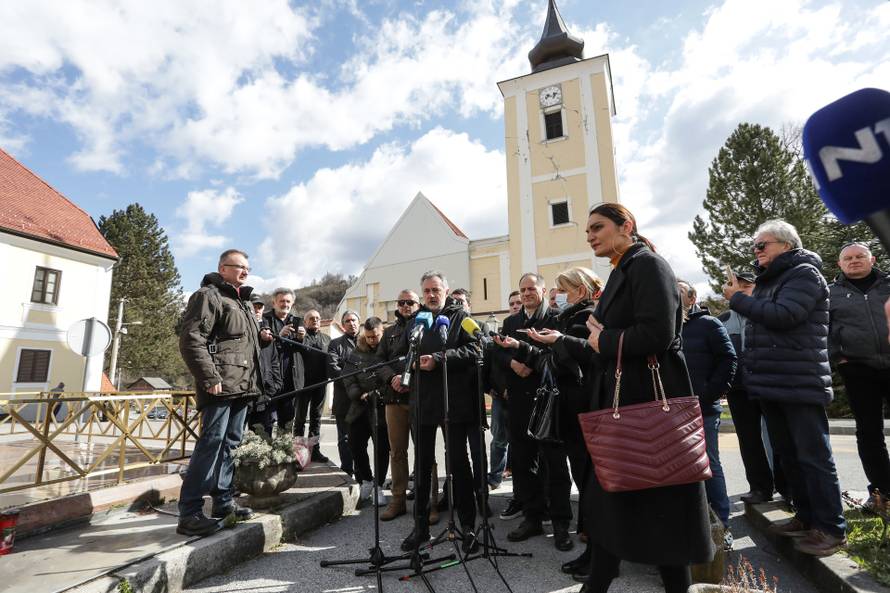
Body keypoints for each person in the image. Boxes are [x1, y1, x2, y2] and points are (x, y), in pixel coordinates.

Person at [577, 203, 714, 593]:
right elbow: (603, 339)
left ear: (627, 227)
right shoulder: (624, 269)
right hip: (624, 401)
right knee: (616, 500)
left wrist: (603, 339)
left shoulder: (648, 265)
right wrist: (574, 342)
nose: (590, 236)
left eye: (598, 227)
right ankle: (599, 580)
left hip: (648, 402)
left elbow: (659, 334)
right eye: (587, 230)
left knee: (662, 506)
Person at [724, 219, 846, 557]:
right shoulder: (770, 281)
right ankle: (806, 518)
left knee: (813, 457)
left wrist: (738, 300)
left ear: (787, 246)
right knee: (789, 456)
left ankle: (831, 529)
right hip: (772, 382)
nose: (756, 251)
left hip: (799, 381)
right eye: (754, 246)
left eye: (762, 245)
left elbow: (785, 315)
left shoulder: (804, 274)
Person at [511, 267, 604, 570]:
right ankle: (560, 524)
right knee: (553, 470)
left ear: (579, 290)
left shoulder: (588, 316)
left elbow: (581, 360)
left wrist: (556, 342)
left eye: (562, 289)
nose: (557, 295)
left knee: (582, 470)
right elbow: (548, 361)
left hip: (577, 405)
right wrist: (520, 347)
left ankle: (590, 528)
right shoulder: (565, 317)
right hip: (554, 404)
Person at [176, 249, 263, 536]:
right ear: (223, 268)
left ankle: (223, 502)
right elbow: (191, 340)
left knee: (231, 444)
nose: (245, 273)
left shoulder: (244, 302)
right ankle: (189, 512)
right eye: (240, 267)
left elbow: (240, 345)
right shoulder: (207, 296)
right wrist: (209, 376)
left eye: (247, 269)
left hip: (242, 386)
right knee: (210, 444)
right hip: (219, 385)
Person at [400, 270, 480, 555]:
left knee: (459, 465)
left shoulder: (460, 317)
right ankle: (420, 528)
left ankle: (469, 527)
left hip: (452, 402)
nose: (432, 295)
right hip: (422, 402)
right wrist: (403, 370)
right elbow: (401, 353)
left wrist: (439, 359)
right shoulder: (417, 321)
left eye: (436, 290)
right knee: (421, 467)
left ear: (446, 290)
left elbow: (477, 348)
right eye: (427, 291)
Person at [493, 273, 571, 549]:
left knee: (555, 465)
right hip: (519, 402)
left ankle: (561, 522)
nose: (526, 293)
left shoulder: (556, 319)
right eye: (522, 289)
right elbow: (498, 352)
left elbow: (559, 358)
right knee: (524, 464)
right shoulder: (511, 322)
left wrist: (528, 360)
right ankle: (532, 517)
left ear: (542, 290)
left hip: (548, 403)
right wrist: (512, 364)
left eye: (531, 289)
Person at [829, 242, 890, 508]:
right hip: (857, 368)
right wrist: (839, 359)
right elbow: (825, 330)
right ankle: (882, 493)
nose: (854, 261)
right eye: (848, 258)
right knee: (868, 432)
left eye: (859, 256)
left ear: (872, 259)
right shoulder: (831, 294)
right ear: (840, 265)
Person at [718, 272, 787, 504]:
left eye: (746, 286)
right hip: (738, 389)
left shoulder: (766, 313)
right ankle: (759, 487)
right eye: (736, 286)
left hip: (768, 384)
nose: (741, 290)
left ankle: (786, 487)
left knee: (779, 437)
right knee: (749, 441)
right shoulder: (723, 319)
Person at [678, 280, 736, 550]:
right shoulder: (664, 327)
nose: (674, 297)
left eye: (679, 292)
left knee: (709, 464)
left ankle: (721, 524)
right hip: (672, 412)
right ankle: (691, 527)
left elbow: (728, 359)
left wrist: (710, 393)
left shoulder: (709, 324)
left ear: (692, 297)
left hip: (703, 408)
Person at [375, 290, 420, 521]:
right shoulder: (389, 332)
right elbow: (379, 361)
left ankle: (428, 502)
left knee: (424, 452)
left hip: (419, 397)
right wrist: (393, 378)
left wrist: (408, 379)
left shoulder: (426, 327)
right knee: (397, 453)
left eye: (410, 302)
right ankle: (398, 500)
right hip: (393, 399)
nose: (405, 305)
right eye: (401, 302)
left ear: (417, 303)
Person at [342, 317, 390, 506]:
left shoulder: (388, 350)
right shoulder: (356, 352)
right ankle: (367, 481)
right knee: (355, 444)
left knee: (382, 449)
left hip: (382, 407)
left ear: (382, 332)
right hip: (359, 407)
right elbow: (347, 377)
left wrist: (377, 393)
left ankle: (379, 487)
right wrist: (357, 393)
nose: (372, 340)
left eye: (375, 336)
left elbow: (393, 376)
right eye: (368, 337)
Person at [288, 309, 331, 462]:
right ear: (305, 322)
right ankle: (298, 452)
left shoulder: (327, 339)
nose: (315, 320)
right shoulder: (300, 337)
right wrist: (299, 338)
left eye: (318, 318)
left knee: (316, 419)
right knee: (299, 419)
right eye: (311, 318)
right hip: (303, 385)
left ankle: (314, 451)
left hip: (321, 384)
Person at [263, 288, 303, 431]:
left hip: (290, 380)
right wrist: (278, 336)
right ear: (274, 303)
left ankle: (283, 452)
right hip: (269, 380)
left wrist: (301, 339)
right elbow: (262, 348)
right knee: (266, 422)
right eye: (281, 301)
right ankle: (265, 453)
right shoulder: (264, 319)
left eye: (288, 301)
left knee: (286, 422)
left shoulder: (297, 321)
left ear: (292, 303)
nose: (285, 304)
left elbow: (302, 351)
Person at [328, 311, 360, 477]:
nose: (351, 323)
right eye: (347, 321)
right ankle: (347, 470)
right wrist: (354, 381)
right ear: (343, 324)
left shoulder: (367, 341)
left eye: (354, 320)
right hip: (343, 400)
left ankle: (363, 472)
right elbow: (333, 368)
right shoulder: (335, 344)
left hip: (364, 399)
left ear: (359, 322)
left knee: (362, 438)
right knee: (344, 438)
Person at [247, 294, 282, 434]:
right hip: (247, 389)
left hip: (265, 390)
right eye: (253, 306)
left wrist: (276, 385)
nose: (257, 309)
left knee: (264, 432)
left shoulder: (269, 331)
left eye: (259, 307)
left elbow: (274, 361)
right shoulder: (244, 328)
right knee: (239, 434)